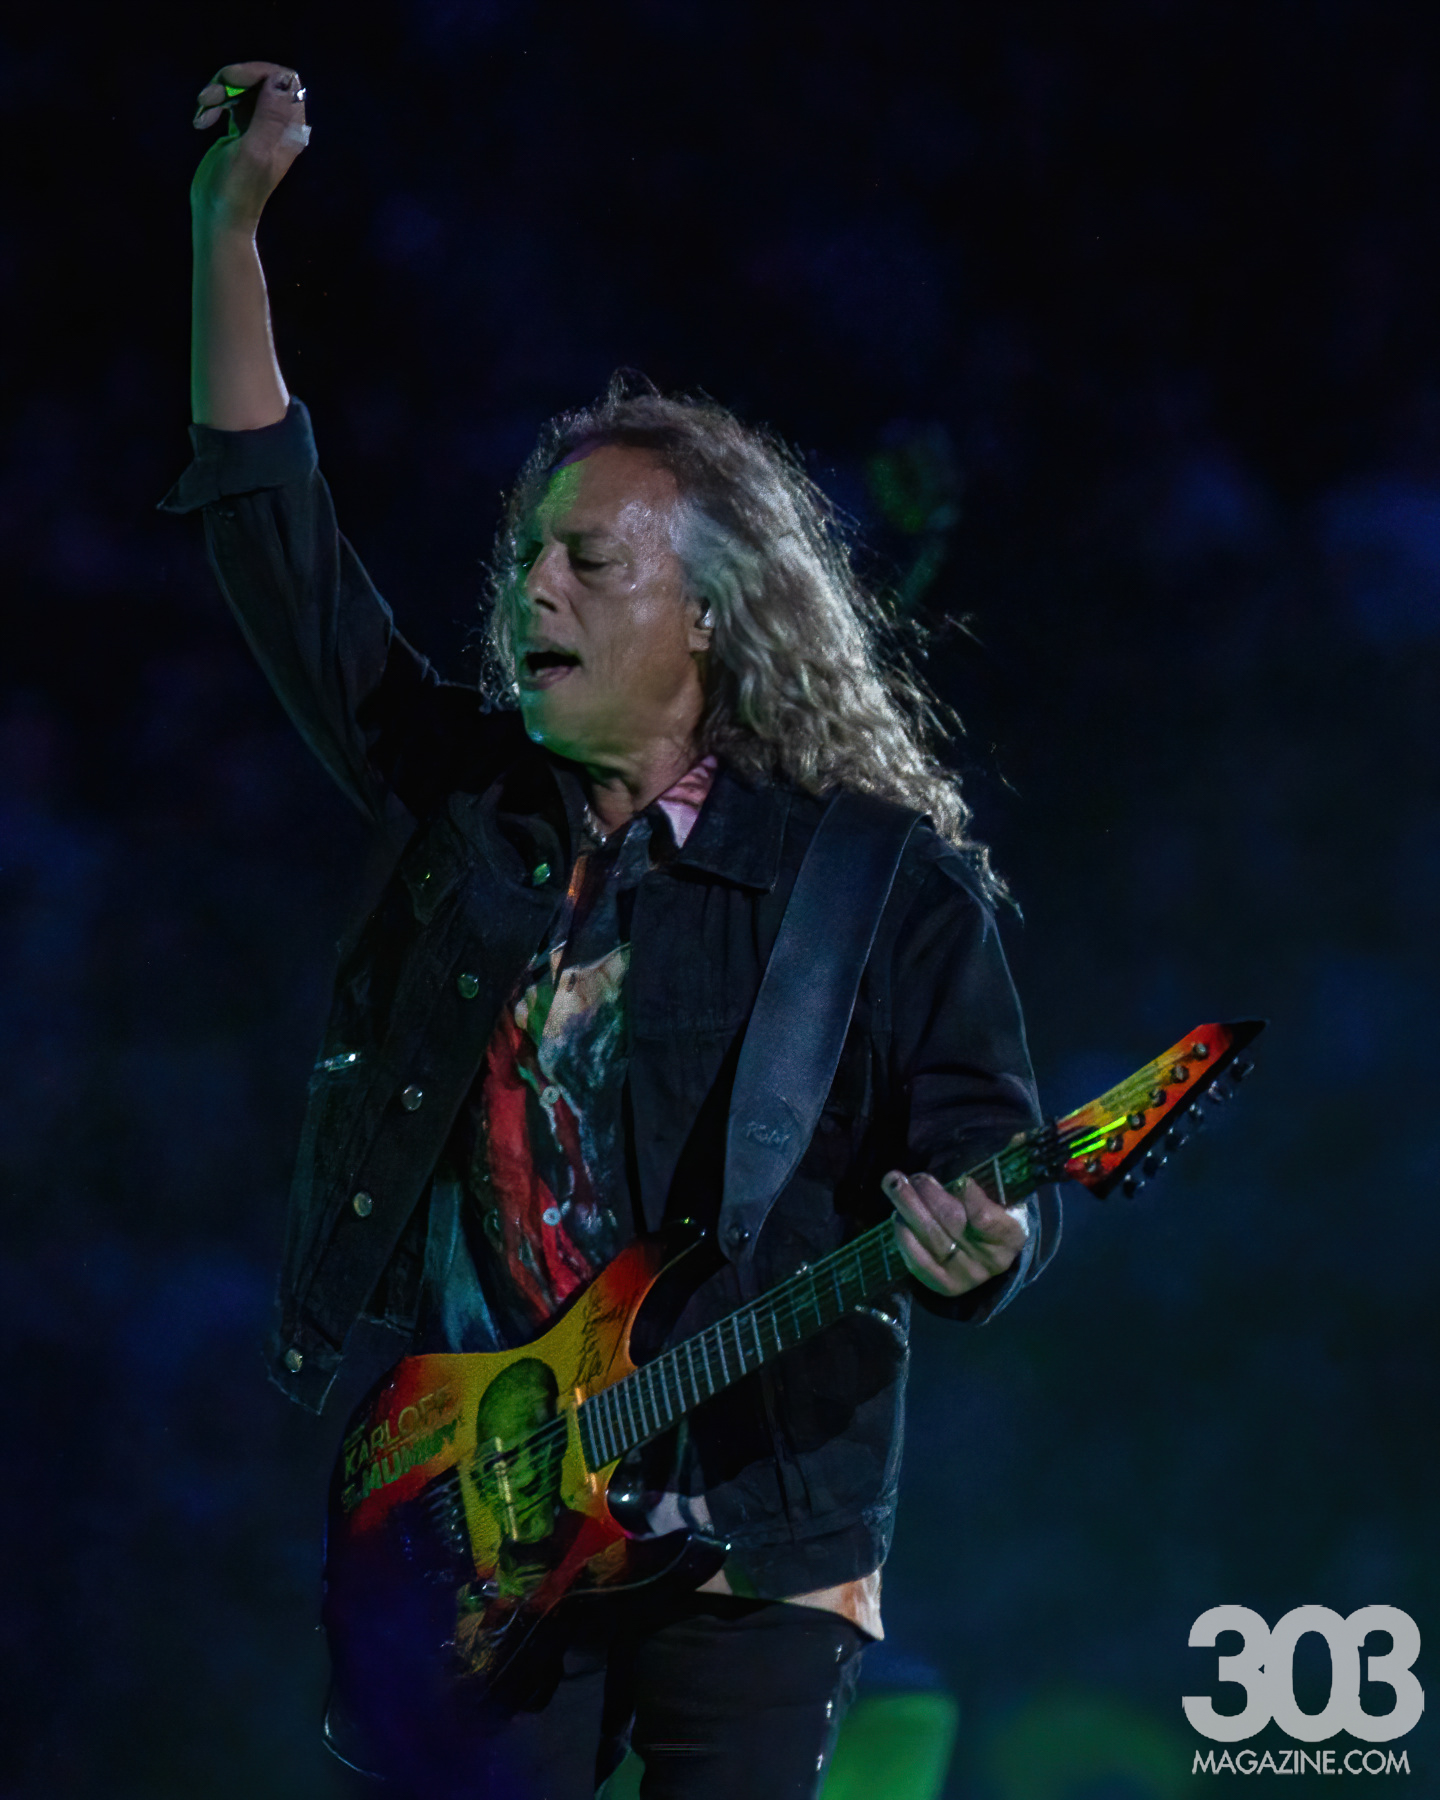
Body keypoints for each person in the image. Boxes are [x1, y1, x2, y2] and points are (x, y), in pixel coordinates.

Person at [163, 61, 1060, 1800]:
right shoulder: (471, 809)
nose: (532, 590)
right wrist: (229, 236)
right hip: (482, 1513)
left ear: (711, 612)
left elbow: (987, 1149)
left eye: (588, 561)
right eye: (524, 561)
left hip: (756, 1523)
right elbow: (280, 553)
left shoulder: (874, 880)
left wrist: (993, 1241)